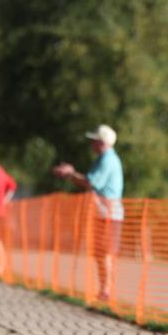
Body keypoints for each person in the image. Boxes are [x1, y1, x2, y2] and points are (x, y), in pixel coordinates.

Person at [53, 124, 124, 302]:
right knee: (101, 252)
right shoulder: (104, 159)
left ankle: (106, 290)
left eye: (94, 140)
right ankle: (104, 289)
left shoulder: (108, 159)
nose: (91, 143)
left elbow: (90, 182)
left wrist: (70, 173)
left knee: (105, 252)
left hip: (108, 214)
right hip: (105, 213)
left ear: (102, 142)